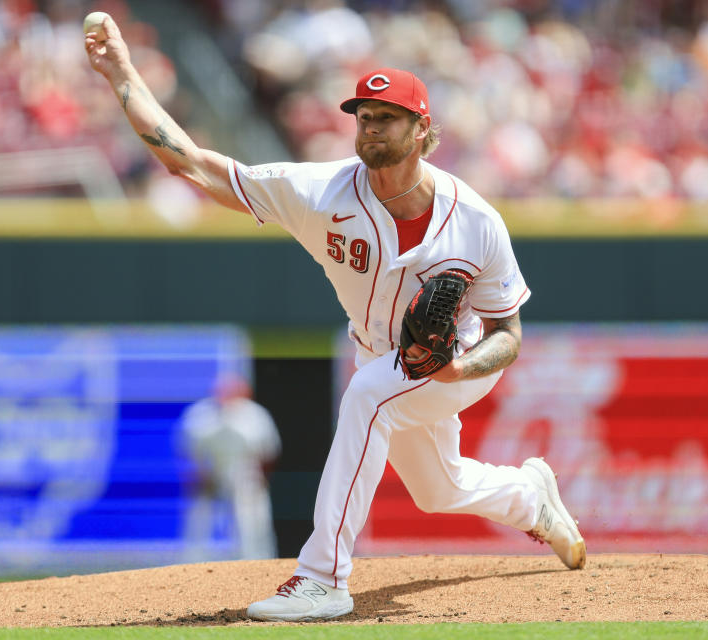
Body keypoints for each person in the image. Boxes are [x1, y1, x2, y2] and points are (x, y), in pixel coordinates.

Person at [85, 16, 586, 622]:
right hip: (380, 352)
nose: (370, 127)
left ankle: (322, 577)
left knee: (368, 398)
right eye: (364, 116)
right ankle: (532, 498)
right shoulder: (319, 191)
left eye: (387, 117)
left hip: (460, 358)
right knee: (438, 489)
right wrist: (122, 73)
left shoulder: (474, 220)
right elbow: (193, 165)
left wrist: (458, 369)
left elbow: (509, 334)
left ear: (422, 128)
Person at [178, 375, 281, 562]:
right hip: (209, 472)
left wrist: (260, 479)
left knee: (252, 521)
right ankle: (192, 565)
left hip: (245, 472)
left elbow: (269, 453)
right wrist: (199, 475)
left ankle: (258, 564)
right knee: (199, 518)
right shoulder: (201, 414)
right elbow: (187, 451)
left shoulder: (256, 416)